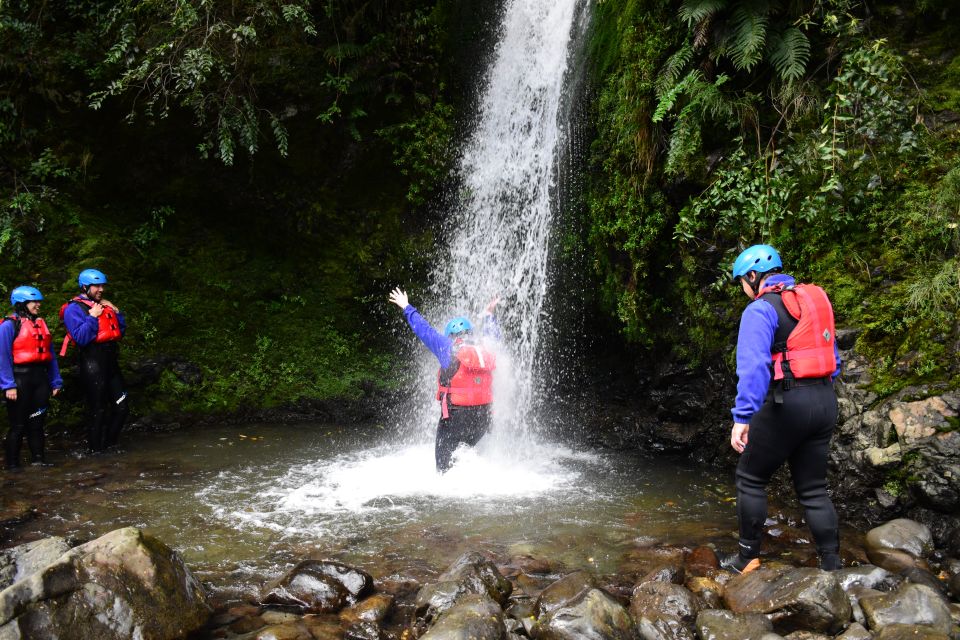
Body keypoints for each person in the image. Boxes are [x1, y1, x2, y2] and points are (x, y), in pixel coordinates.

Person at [722, 244, 842, 574]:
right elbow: (834, 357)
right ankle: (832, 564)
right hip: (824, 401)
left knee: (750, 477)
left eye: (741, 283)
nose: (744, 291)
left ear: (752, 276)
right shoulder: (814, 300)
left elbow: (754, 368)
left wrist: (742, 417)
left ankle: (747, 558)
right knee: (814, 488)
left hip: (786, 404)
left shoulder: (760, 310)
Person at [388, 287, 499, 472]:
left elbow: (424, 331)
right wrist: (489, 315)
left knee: (444, 469)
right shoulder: (486, 348)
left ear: (451, 336)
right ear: (470, 333)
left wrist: (406, 306)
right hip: (484, 418)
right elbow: (494, 335)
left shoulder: (447, 347)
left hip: (456, 418)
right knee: (465, 455)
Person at [60, 269, 128, 453]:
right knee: (97, 411)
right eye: (97, 286)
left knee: (122, 407)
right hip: (92, 363)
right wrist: (92, 316)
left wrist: (115, 310)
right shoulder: (74, 308)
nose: (101, 289)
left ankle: (110, 445)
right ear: (85, 287)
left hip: (110, 362)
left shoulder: (103, 304)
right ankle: (95, 453)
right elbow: (81, 338)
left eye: (102, 285)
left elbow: (120, 331)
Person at [1, 286, 63, 469]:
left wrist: (56, 380)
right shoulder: (9, 325)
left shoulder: (40, 325)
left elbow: (51, 356)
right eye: (34, 302)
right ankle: (12, 466)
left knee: (37, 424)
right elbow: (2, 357)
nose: (38, 305)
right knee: (18, 426)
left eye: (38, 301)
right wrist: (7, 385)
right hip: (19, 380)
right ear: (21, 304)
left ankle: (39, 462)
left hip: (40, 380)